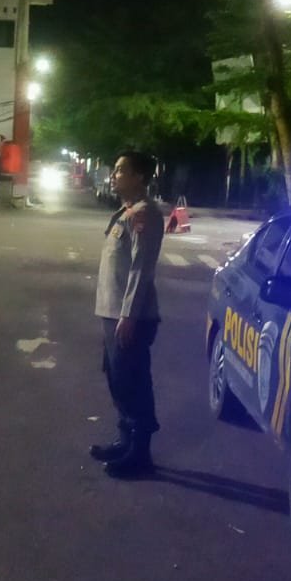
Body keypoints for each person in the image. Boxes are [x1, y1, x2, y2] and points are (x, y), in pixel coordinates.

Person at [88, 149, 164, 477]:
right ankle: (125, 440)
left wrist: (128, 315)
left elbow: (140, 269)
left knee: (133, 382)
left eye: (121, 170)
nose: (114, 175)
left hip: (130, 317)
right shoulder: (127, 211)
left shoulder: (145, 215)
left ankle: (140, 454)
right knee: (117, 378)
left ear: (139, 177)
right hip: (112, 312)